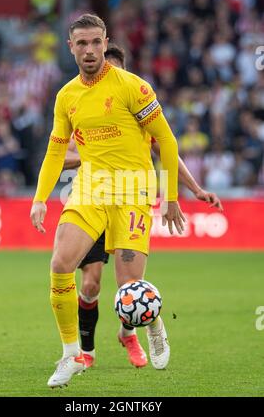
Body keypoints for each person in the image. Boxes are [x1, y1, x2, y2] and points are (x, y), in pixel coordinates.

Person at [30, 13, 184, 388]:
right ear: (71, 47)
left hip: (134, 190)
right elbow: (54, 152)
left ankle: (153, 323)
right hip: (91, 189)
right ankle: (71, 355)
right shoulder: (66, 96)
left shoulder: (134, 87)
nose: (89, 50)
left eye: (96, 42)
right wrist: (40, 199)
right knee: (60, 262)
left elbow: (166, 140)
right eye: (81, 43)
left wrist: (173, 197)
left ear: (105, 42)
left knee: (130, 289)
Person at [64, 43, 223, 370]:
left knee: (130, 286)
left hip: (130, 197)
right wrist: (93, 155)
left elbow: (168, 148)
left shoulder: (135, 103)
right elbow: (59, 157)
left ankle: (131, 332)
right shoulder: (79, 104)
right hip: (93, 200)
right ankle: (88, 354)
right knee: (91, 284)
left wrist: (191, 189)